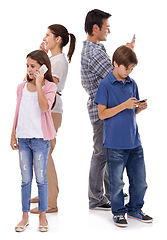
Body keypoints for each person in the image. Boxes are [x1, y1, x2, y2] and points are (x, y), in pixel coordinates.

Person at [81, 9, 134, 210]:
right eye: (107, 27)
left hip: (103, 110)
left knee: (107, 152)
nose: (108, 31)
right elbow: (115, 75)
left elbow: (113, 70)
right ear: (96, 28)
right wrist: (127, 56)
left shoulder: (95, 49)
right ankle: (96, 198)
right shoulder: (94, 52)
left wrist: (124, 52)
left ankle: (112, 192)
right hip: (101, 111)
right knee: (101, 154)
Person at [94, 45, 153, 227]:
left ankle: (135, 209)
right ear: (115, 64)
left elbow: (131, 112)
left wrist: (138, 108)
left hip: (134, 141)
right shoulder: (105, 85)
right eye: (126, 68)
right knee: (117, 183)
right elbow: (102, 114)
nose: (129, 71)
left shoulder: (132, 83)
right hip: (115, 143)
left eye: (132, 69)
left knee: (140, 182)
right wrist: (124, 105)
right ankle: (118, 213)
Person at [30, 24, 76, 214]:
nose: (45, 37)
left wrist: (42, 62)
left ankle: (50, 202)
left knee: (43, 154)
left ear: (58, 39)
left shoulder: (59, 61)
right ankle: (45, 193)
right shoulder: (52, 59)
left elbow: (48, 85)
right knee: (40, 155)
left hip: (51, 111)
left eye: (48, 35)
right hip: (47, 110)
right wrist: (42, 58)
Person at [10, 50, 57, 232]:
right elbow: (18, 111)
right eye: (28, 66)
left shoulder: (49, 87)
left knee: (41, 179)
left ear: (42, 68)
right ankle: (24, 216)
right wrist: (13, 133)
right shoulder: (21, 87)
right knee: (25, 180)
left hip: (39, 140)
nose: (29, 70)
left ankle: (43, 217)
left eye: (33, 66)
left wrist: (39, 83)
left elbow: (45, 107)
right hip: (23, 139)